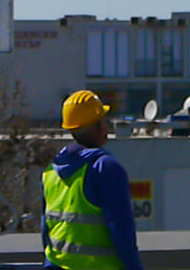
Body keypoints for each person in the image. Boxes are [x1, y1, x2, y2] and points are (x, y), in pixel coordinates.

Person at [42, 90, 144, 270]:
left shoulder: (51, 172)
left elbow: (46, 233)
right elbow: (122, 231)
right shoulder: (106, 169)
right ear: (99, 126)